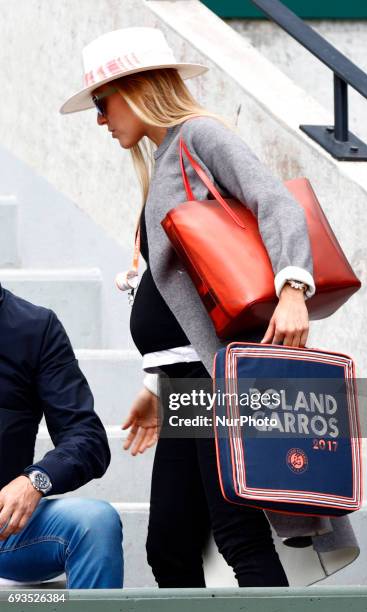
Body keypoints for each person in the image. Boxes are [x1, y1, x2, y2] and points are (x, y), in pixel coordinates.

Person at [60, 27, 315, 587]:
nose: (101, 121)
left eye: (103, 104)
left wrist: (294, 287)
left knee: (238, 537)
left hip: (216, 378)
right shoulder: (163, 162)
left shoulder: (199, 137)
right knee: (170, 547)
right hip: (185, 384)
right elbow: (179, 299)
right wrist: (156, 387)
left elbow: (275, 202)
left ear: (138, 88)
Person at [0, 284, 124, 588]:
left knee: (95, 522)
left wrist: (36, 480)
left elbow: (87, 437)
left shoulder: (34, 327)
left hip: (4, 525)